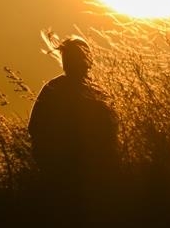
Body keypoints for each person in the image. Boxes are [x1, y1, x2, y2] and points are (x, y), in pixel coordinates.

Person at [27, 32, 119, 189]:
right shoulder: (97, 92)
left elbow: (34, 127)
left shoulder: (54, 88)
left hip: (67, 171)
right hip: (81, 172)